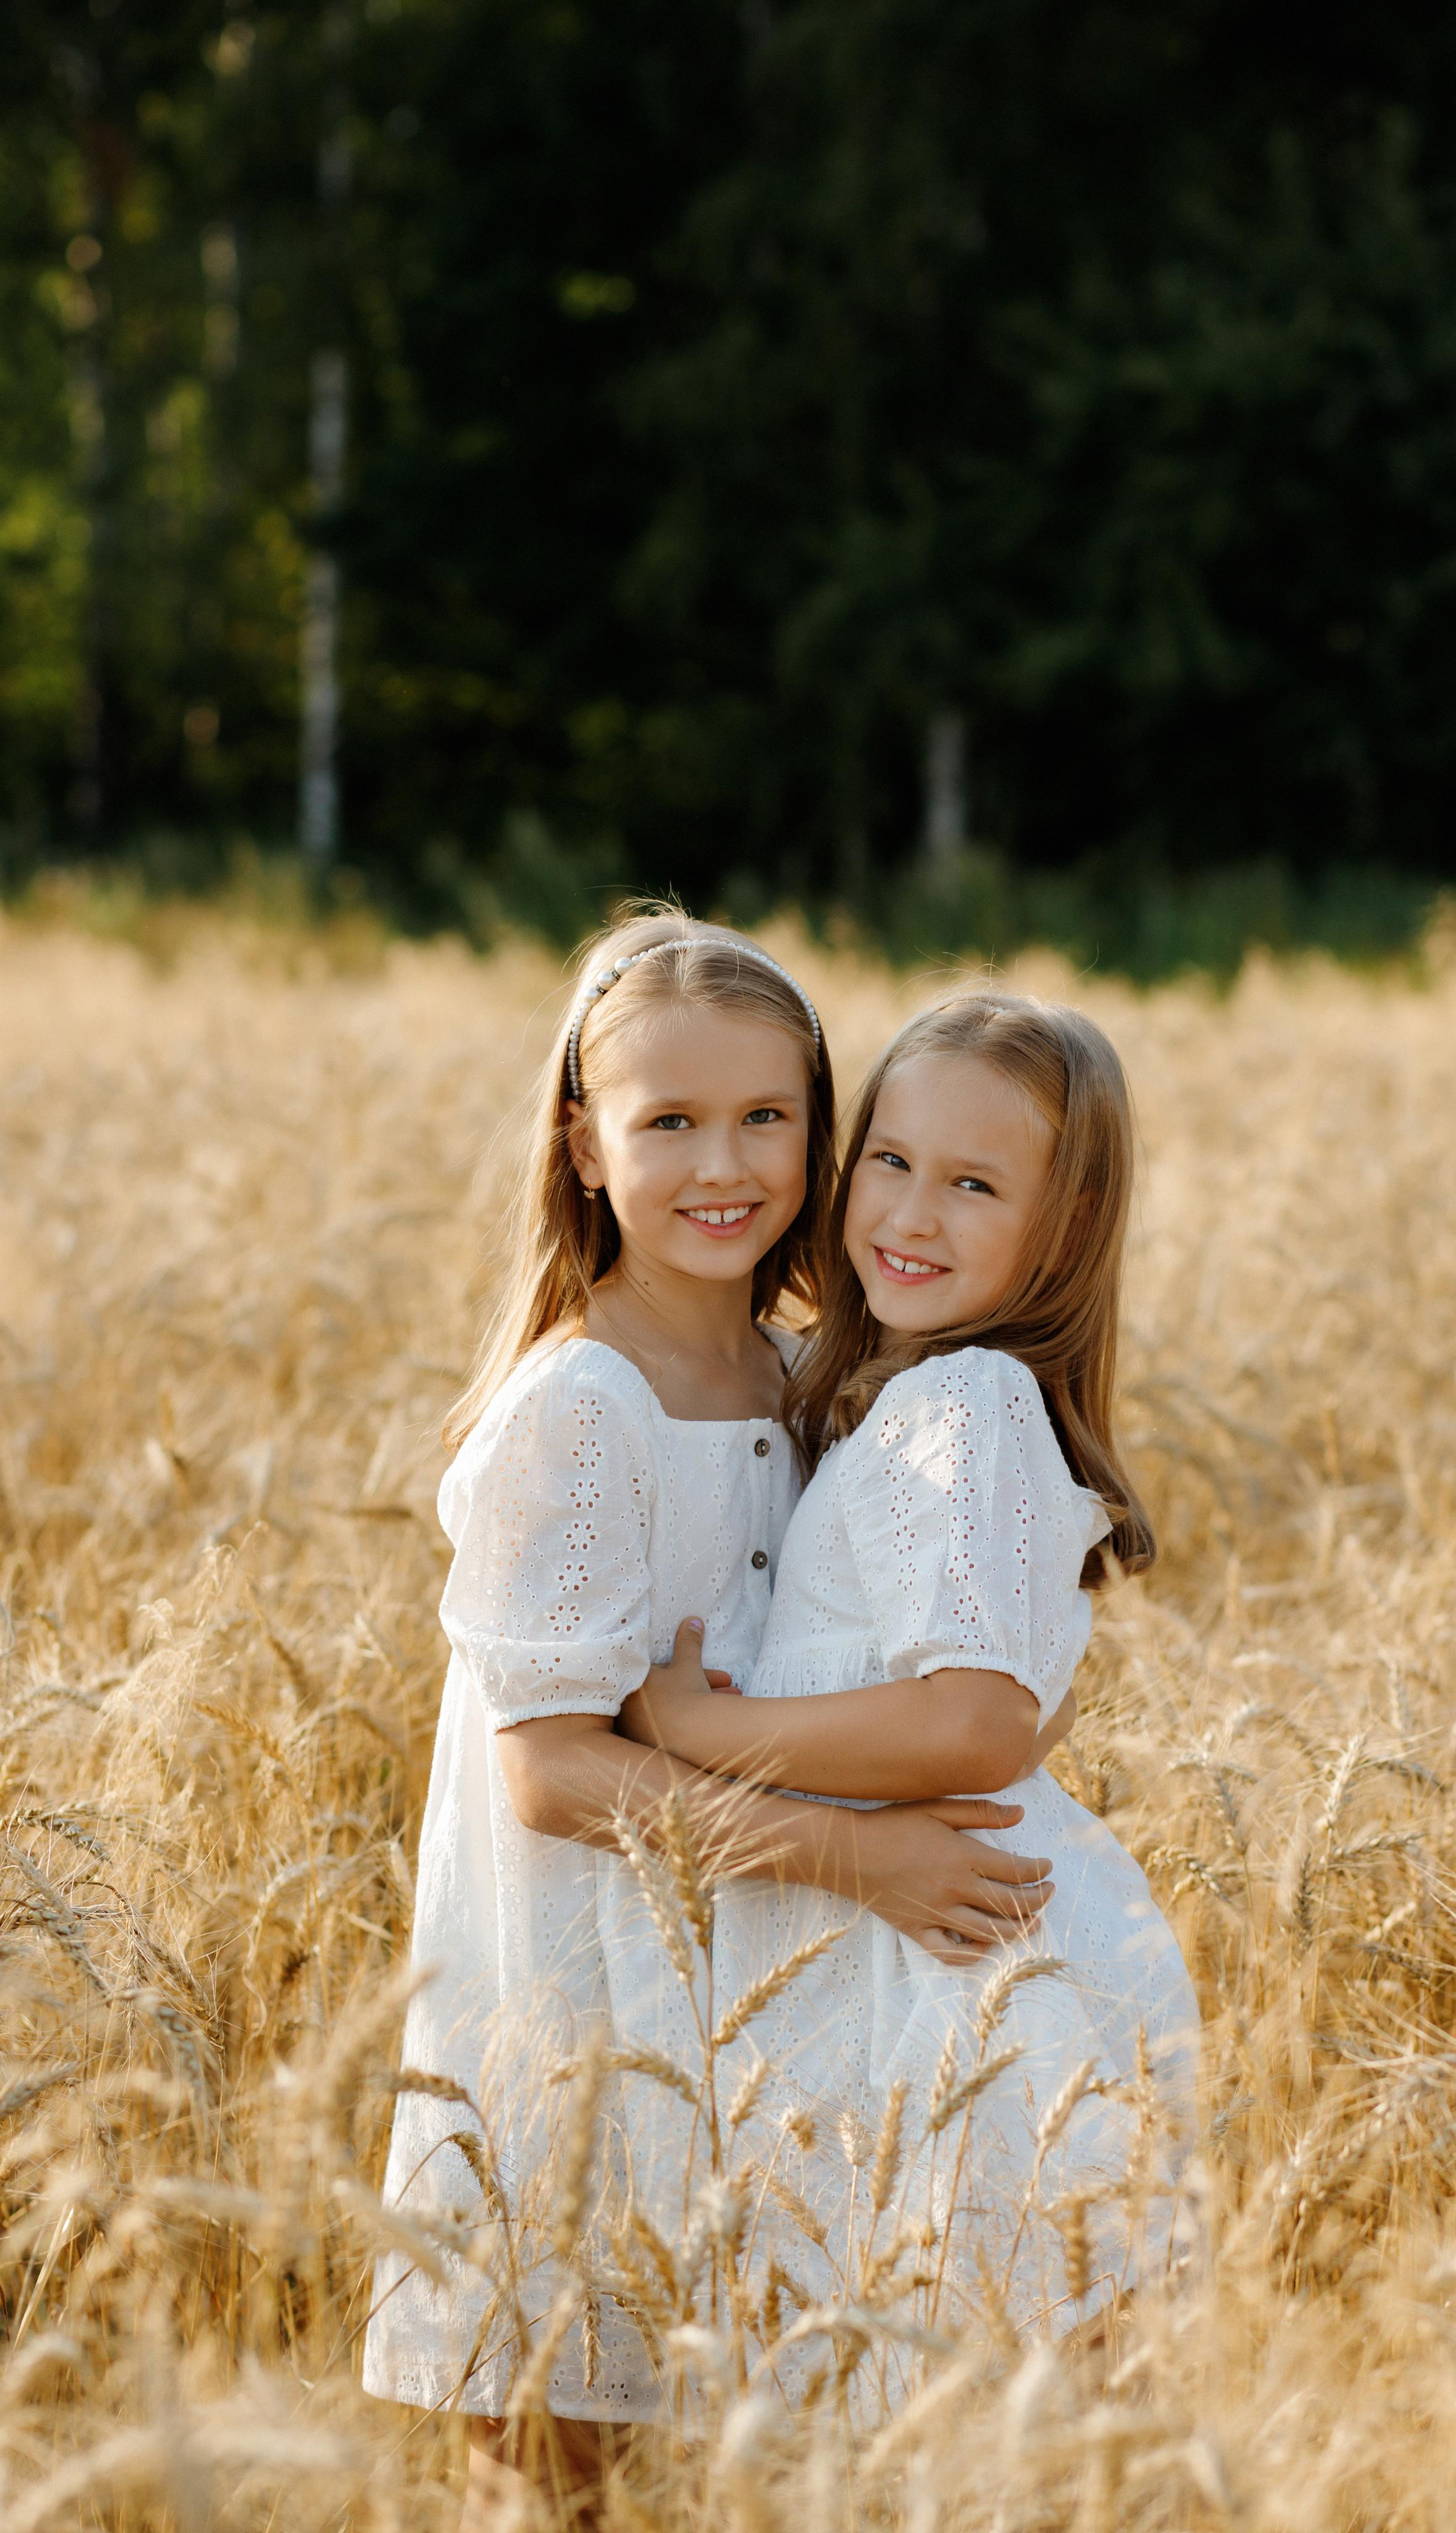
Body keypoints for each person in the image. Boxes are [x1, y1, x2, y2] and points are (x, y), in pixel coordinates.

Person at [361, 917, 1058, 2527]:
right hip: (575, 1990)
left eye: (765, 1118)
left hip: (753, 1982)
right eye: (666, 1121)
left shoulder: (812, 1379)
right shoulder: (580, 1404)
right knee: (559, 2452)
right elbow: (545, 1771)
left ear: (821, 1134)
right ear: (582, 1144)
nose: (721, 1163)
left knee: (759, 2436)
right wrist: (857, 1857)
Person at [623, 991, 1201, 2396]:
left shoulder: (970, 1408)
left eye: (972, 1185)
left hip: (960, 1980)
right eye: (888, 1160)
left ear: (1059, 1231)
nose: (910, 1214)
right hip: (928, 1947)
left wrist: (705, 1729)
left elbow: (974, 1720)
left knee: (937, 2385)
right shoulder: (909, 1399)